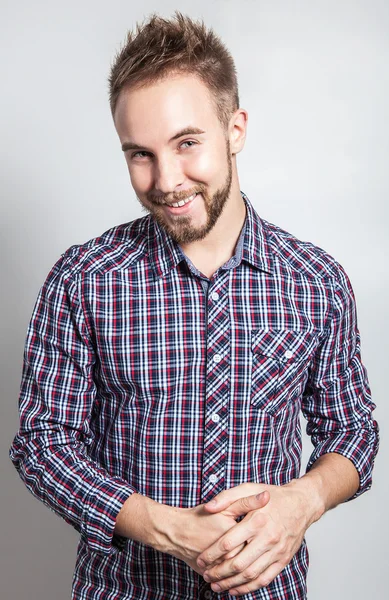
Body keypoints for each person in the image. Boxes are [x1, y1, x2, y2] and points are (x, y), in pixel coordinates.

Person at [10, 11, 379, 600]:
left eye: (187, 144)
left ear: (235, 129)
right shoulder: (83, 278)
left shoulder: (317, 280)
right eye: (140, 154)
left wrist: (302, 503)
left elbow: (353, 430)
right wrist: (168, 529)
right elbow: (42, 443)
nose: (167, 180)